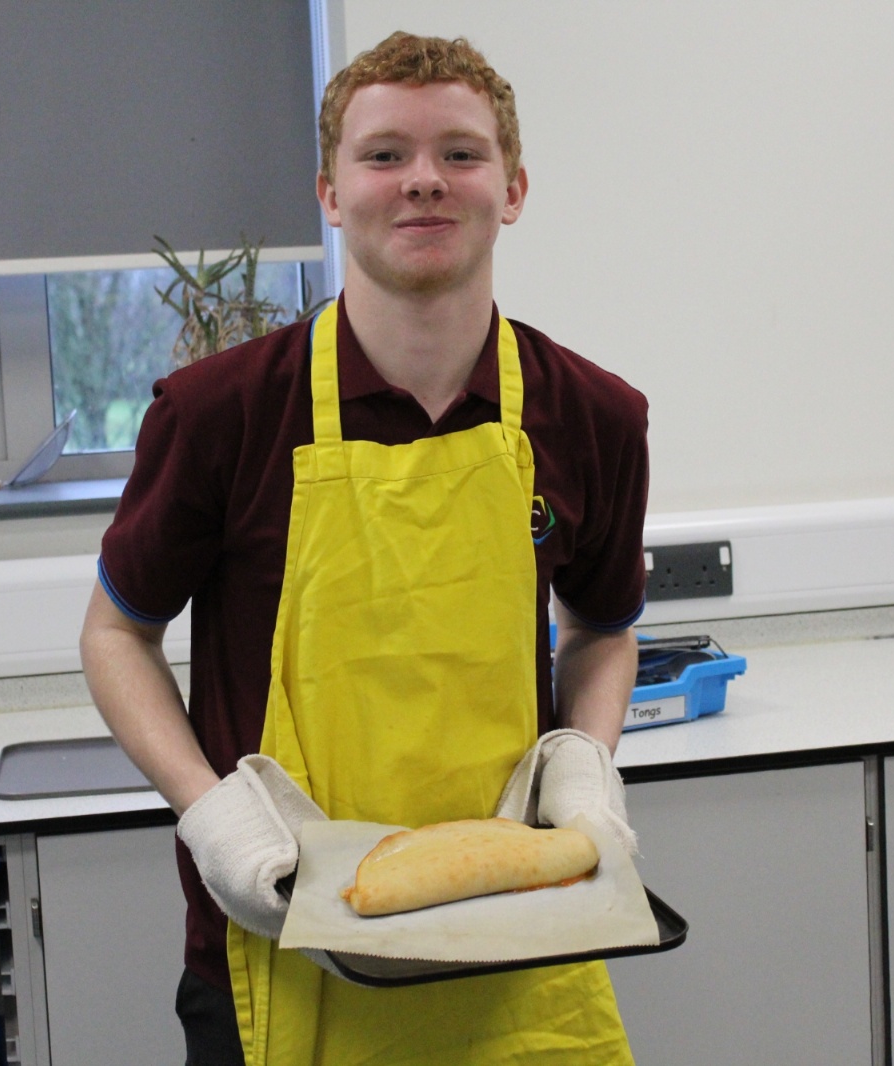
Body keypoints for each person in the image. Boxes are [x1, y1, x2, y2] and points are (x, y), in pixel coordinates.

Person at [80, 30, 650, 1066]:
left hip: (514, 932)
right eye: (384, 155)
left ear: (513, 190)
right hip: (282, 932)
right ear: (331, 194)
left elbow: (603, 631)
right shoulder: (220, 415)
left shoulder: (593, 416)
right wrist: (212, 814)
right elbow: (117, 634)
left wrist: (584, 761)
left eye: (460, 154)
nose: (423, 180)